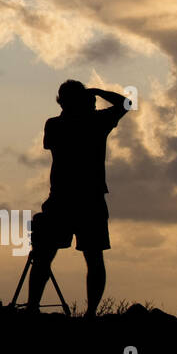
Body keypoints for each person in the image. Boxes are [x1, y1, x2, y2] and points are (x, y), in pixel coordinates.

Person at [26, 80, 129, 318]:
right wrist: (97, 92)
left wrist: (86, 97)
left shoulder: (54, 124)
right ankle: (91, 313)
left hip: (61, 199)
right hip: (88, 200)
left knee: (44, 256)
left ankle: (33, 307)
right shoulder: (96, 122)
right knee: (93, 258)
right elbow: (127, 104)